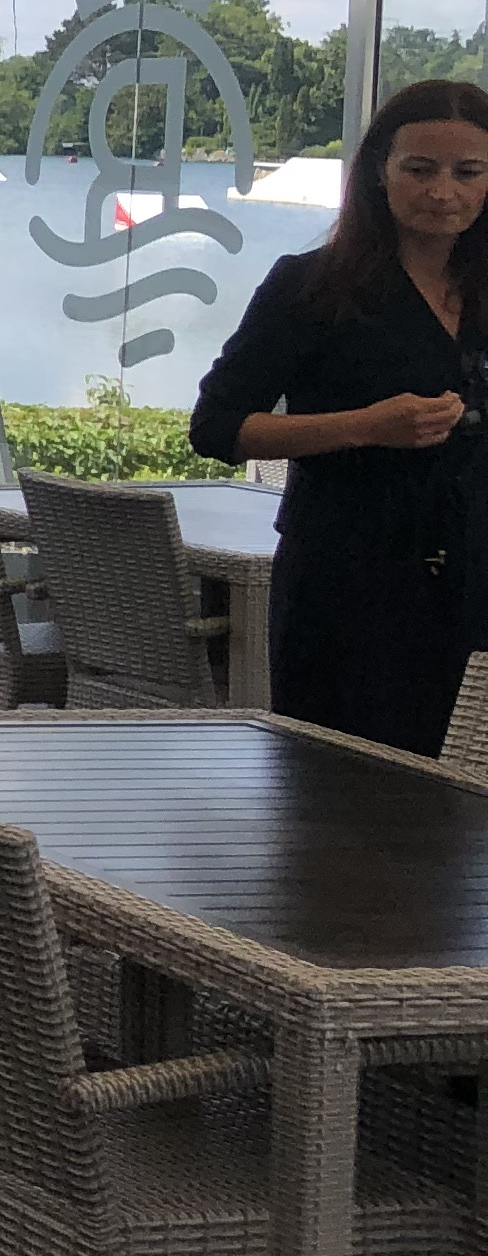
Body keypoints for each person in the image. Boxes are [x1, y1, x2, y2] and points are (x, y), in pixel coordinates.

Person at [188, 76, 488, 754]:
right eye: (420, 170)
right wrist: (364, 426)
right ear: (379, 172)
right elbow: (217, 427)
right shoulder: (312, 286)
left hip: (474, 586)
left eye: (467, 172)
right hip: (351, 590)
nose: (443, 192)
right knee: (340, 794)